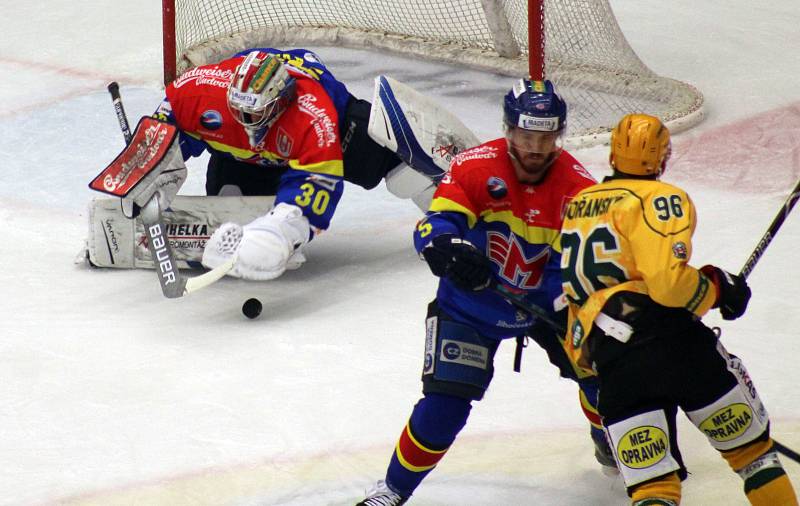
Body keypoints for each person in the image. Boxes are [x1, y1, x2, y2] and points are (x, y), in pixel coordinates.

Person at [357, 79, 599, 505]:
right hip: (470, 308)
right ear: (509, 131)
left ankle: (621, 449)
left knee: (604, 381)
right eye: (526, 136)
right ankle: (391, 491)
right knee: (444, 406)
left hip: (547, 307)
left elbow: (580, 267)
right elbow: (437, 224)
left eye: (546, 138)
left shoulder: (580, 189)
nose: (535, 149)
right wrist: (446, 248)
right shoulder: (474, 167)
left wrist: (561, 299)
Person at [560, 113, 798, 505]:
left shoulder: (579, 206)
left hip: (615, 363)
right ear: (660, 157)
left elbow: (582, 292)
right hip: (677, 348)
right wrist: (716, 290)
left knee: (653, 487)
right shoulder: (660, 198)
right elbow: (668, 283)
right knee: (752, 454)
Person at [152, 48, 403, 280]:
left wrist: (283, 231)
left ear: (281, 102)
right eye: (238, 111)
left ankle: (440, 217)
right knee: (230, 202)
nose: (246, 121)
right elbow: (160, 132)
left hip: (338, 127)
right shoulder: (198, 90)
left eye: (255, 114)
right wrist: (149, 169)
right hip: (250, 157)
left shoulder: (314, 118)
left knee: (401, 167)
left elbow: (318, 183)